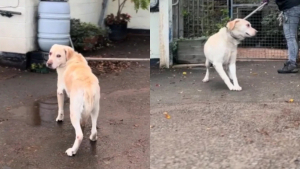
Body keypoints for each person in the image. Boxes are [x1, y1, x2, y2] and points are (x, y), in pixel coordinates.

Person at [263, 0, 300, 73]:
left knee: (290, 37)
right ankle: (294, 60)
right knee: (293, 36)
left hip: (290, 8)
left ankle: (292, 64)